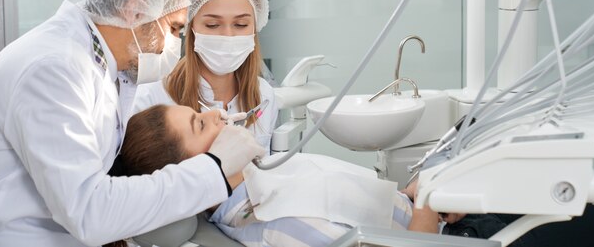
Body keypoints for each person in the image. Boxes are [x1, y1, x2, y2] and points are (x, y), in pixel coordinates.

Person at [0, 0, 264, 247]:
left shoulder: (97, 66)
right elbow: (89, 214)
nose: (174, 45)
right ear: (134, 10)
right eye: (174, 29)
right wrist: (215, 169)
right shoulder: (54, 70)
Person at [114, 104, 447, 247]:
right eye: (200, 124)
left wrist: (411, 199)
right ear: (192, 171)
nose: (217, 114)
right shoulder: (272, 222)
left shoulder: (262, 177)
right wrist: (429, 199)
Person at [132, 0, 278, 152]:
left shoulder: (264, 96)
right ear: (191, 28)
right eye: (212, 25)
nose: (228, 36)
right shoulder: (151, 98)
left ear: (254, 28)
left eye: (241, 25)